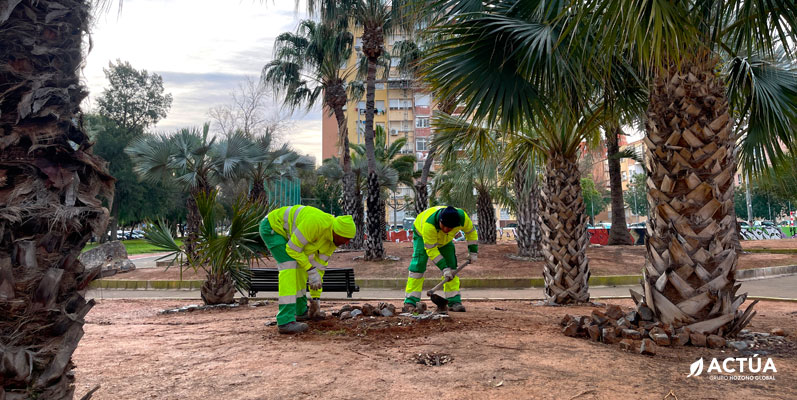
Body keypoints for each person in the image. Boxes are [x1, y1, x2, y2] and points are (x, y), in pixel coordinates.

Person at [259, 205, 356, 334]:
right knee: (289, 268)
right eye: (346, 239)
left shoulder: (332, 242)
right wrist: (310, 269)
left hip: (289, 238)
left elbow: (319, 269)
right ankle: (285, 321)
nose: (346, 243)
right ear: (337, 232)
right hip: (273, 228)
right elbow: (292, 249)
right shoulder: (315, 223)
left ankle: (301, 312)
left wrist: (316, 300)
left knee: (300, 268)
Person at [403, 205, 478, 313]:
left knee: (452, 267)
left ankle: (454, 301)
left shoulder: (463, 218)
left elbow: (471, 232)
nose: (446, 230)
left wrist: (473, 251)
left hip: (445, 241)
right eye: (444, 226)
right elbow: (431, 250)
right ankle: (410, 301)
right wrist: (444, 268)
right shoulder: (429, 226)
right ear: (440, 221)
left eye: (450, 228)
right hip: (421, 235)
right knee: (418, 266)